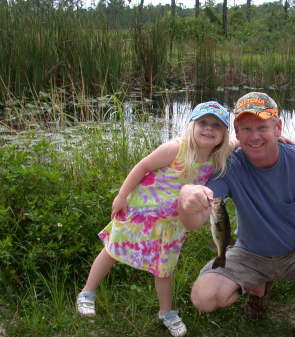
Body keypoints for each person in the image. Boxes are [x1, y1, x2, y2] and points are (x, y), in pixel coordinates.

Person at [178, 92, 295, 337]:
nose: (254, 136)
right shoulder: (230, 165)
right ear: (237, 133)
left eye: (262, 127)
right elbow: (196, 219)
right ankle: (258, 289)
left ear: (278, 127)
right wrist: (187, 197)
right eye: (246, 129)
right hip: (250, 254)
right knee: (204, 297)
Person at [76, 101, 231, 337]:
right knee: (111, 252)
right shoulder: (175, 149)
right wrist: (122, 195)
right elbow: (143, 166)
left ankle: (166, 312)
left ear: (223, 134)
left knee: (164, 270)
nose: (209, 129)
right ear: (192, 125)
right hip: (139, 214)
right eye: (203, 122)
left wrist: (279, 139)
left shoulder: (216, 157)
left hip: (171, 225)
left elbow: (241, 142)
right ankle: (87, 292)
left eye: (216, 126)